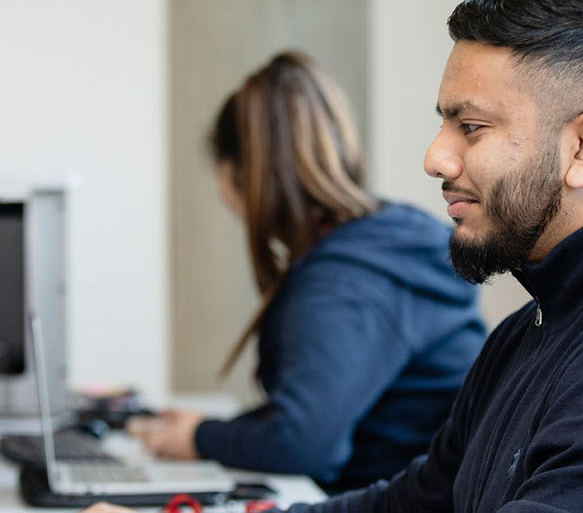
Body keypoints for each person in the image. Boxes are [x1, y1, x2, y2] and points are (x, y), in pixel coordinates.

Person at [88, 0, 583, 513]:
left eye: (470, 127)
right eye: (444, 122)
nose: (435, 157)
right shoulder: (537, 326)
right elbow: (409, 503)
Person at [129, 51, 487, 493]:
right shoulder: (385, 239)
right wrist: (206, 430)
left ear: (240, 173)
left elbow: (302, 443)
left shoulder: (342, 283)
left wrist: (200, 438)